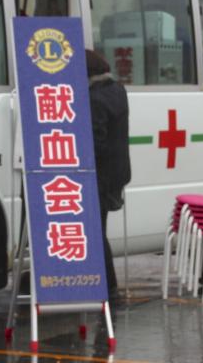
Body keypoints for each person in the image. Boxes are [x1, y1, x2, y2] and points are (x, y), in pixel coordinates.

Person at [86, 49, 131, 298]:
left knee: (94, 230)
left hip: (100, 176)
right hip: (117, 173)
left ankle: (109, 286)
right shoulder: (117, 91)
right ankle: (104, 284)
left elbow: (95, 143)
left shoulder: (95, 100)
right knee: (98, 227)